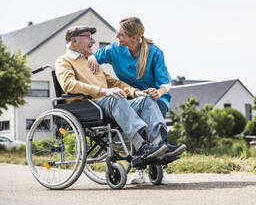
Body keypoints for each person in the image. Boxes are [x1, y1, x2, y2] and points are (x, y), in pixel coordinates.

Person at [55, 25, 183, 168]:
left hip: (108, 102)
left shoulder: (90, 61)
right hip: (90, 105)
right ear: (74, 41)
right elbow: (69, 85)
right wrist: (103, 91)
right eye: (89, 37)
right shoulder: (63, 61)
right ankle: (141, 146)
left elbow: (113, 82)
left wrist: (135, 92)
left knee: (146, 99)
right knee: (115, 96)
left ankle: (160, 145)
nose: (93, 41)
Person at [88, 17, 186, 184]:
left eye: (120, 34)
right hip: (131, 97)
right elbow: (94, 57)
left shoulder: (154, 52)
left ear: (133, 37)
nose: (116, 36)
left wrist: (159, 91)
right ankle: (140, 171)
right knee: (138, 124)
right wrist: (92, 60)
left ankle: (161, 167)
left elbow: (166, 83)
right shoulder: (115, 50)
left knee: (151, 114)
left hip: (156, 97)